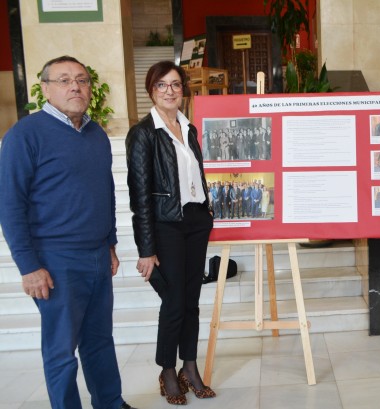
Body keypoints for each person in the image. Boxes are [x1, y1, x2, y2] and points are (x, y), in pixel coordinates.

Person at [0, 56, 136, 409]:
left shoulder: (95, 134)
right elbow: (10, 204)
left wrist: (110, 244)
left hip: (95, 255)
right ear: (44, 88)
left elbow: (105, 192)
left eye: (81, 79)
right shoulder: (24, 135)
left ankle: (110, 403)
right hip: (54, 260)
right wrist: (28, 267)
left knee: (99, 341)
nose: (74, 86)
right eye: (63, 80)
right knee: (62, 350)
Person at [125, 60, 216, 405]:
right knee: (174, 301)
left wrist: (206, 210)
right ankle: (166, 370)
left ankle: (189, 367)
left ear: (183, 91)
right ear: (151, 90)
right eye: (162, 85)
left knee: (191, 300)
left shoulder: (188, 129)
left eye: (175, 84)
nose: (169, 91)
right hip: (165, 226)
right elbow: (140, 199)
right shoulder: (143, 134)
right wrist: (146, 249)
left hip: (195, 222)